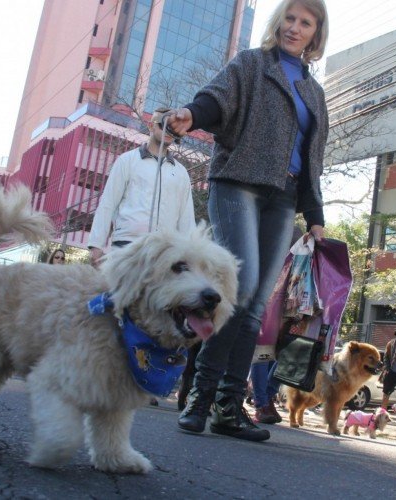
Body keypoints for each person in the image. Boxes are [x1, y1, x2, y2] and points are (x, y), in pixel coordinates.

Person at [168, 0, 330, 442]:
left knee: (257, 302)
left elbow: (313, 160)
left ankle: (227, 406)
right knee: (239, 290)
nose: (294, 28)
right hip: (238, 181)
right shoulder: (252, 65)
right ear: (279, 23)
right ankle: (200, 399)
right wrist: (191, 115)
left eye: (305, 23)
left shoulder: (314, 93)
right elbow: (216, 100)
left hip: (285, 196)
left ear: (316, 34)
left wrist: (314, 217)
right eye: (289, 19)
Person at [87, 106, 195, 266]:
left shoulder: (181, 172)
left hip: (165, 252)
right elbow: (108, 203)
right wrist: (96, 244)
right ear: (151, 125)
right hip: (127, 247)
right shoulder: (127, 161)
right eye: (163, 124)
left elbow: (186, 217)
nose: (168, 130)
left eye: (173, 128)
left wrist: (190, 256)